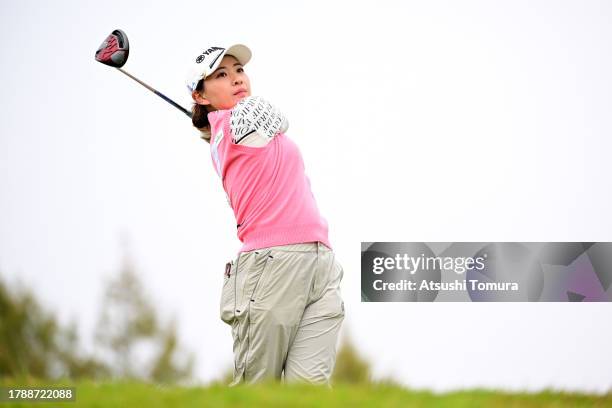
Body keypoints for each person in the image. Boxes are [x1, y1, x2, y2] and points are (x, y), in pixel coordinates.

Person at [185, 44, 345, 387]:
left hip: (319, 259)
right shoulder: (243, 117)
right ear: (200, 96)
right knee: (257, 390)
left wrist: (212, 124)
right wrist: (215, 123)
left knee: (310, 391)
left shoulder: (227, 130)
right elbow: (275, 118)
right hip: (270, 265)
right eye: (221, 75)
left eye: (239, 70)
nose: (237, 79)